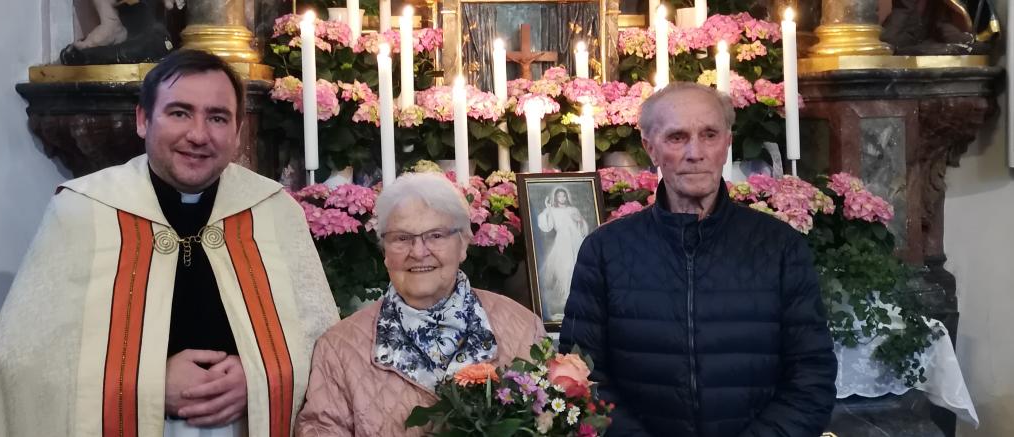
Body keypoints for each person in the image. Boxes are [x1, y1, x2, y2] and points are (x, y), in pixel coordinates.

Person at [0, 50, 339, 437]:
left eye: (217, 118)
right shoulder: (82, 211)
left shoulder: (273, 211)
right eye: (179, 113)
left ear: (238, 131)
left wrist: (261, 375)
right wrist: (146, 385)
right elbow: (22, 362)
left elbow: (322, 345)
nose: (198, 135)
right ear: (143, 119)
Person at [560, 82, 837, 437]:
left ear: (727, 143)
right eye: (677, 137)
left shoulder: (780, 247)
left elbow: (811, 376)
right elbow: (581, 375)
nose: (696, 152)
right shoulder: (605, 251)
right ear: (651, 148)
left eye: (709, 134)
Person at [295, 173, 545, 436]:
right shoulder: (338, 348)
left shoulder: (523, 328)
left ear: (463, 245)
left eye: (435, 235)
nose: (418, 251)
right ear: (385, 253)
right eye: (402, 238)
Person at [536, 186, 589, 320]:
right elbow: (546, 226)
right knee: (565, 267)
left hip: (575, 239)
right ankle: (566, 296)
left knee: (576, 265)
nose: (562, 198)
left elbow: (582, 225)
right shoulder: (552, 210)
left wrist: (580, 221)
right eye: (559, 196)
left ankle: (576, 295)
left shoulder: (573, 209)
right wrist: (547, 208)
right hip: (562, 240)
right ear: (556, 198)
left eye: (564, 196)